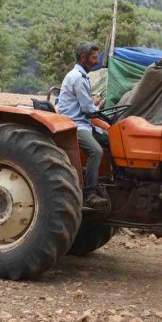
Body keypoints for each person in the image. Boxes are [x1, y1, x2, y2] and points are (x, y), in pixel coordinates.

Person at [57, 42, 109, 208]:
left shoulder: (81, 76)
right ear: (83, 58)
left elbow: (87, 105)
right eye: (94, 58)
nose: (96, 61)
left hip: (83, 122)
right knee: (96, 150)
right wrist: (103, 113)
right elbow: (88, 109)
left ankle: (107, 181)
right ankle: (90, 193)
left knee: (110, 141)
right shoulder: (78, 78)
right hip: (73, 124)